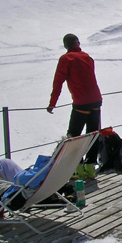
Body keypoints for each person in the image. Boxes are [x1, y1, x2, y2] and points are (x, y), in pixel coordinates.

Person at [47, 33, 102, 177]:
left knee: (73, 138)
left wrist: (52, 103)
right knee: (93, 134)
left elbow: (58, 82)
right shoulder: (87, 57)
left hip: (81, 103)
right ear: (77, 43)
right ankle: (90, 168)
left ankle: (76, 170)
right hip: (96, 100)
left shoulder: (66, 59)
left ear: (66, 45)